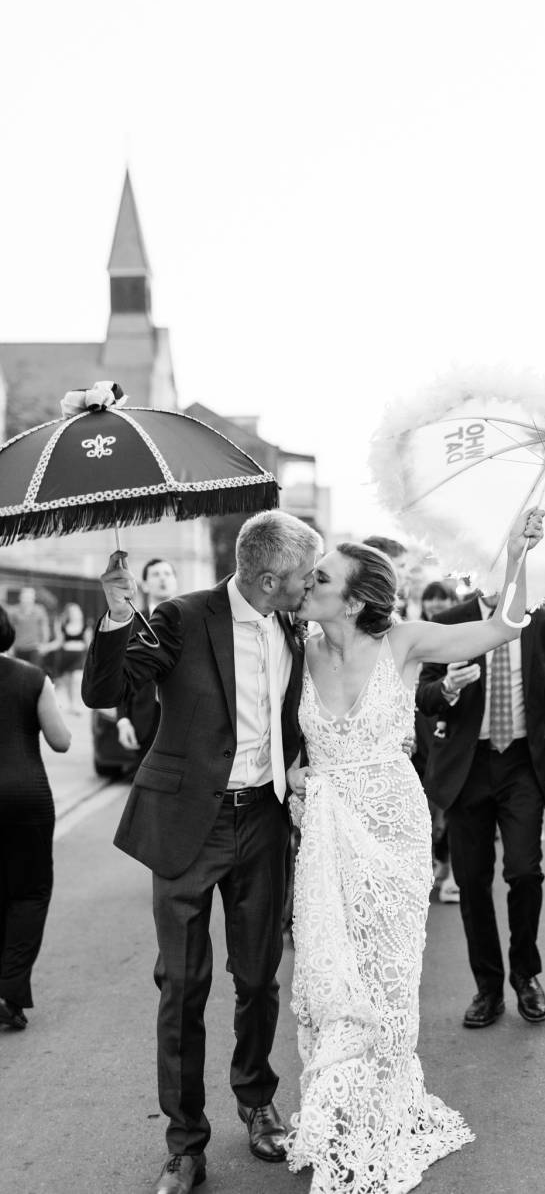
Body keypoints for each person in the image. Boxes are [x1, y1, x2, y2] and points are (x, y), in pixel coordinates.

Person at [285, 508, 543, 1191]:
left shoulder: (402, 640)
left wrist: (515, 556)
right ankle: (338, 1110)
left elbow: (501, 628)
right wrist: (291, 773)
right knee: (328, 974)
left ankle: (384, 1110)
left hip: (394, 831)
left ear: (359, 596)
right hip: (328, 832)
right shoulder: (297, 646)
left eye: (322, 577)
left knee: (388, 977)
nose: (308, 585)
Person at [81, 510, 321, 1194]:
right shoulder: (181, 617)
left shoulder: (292, 624)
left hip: (264, 822)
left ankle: (256, 1097)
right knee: (183, 986)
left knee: (259, 977)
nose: (313, 583)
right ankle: (185, 1144)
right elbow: (106, 691)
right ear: (270, 576)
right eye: (306, 574)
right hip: (189, 823)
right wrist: (119, 617)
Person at [416, 588, 545, 1030]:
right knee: (472, 880)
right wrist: (446, 687)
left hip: (523, 764)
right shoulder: (450, 620)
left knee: (524, 871)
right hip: (468, 767)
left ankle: (526, 975)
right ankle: (488, 986)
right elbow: (422, 695)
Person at [0, 606, 71, 1031]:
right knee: (28, 893)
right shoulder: (31, 677)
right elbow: (61, 741)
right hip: (26, 798)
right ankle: (10, 991)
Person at [415, 580, 460, 902]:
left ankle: (448, 870)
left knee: (447, 801)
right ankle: (430, 865)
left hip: (444, 719)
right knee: (425, 807)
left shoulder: (457, 632)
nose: (435, 604)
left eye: (440, 598)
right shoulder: (412, 629)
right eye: (430, 599)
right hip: (417, 719)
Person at [116, 558, 179, 761]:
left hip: (185, 719)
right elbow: (120, 674)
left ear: (175, 582)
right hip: (144, 720)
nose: (162, 579)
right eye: (156, 574)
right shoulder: (131, 624)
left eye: (167, 574)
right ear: (144, 584)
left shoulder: (192, 620)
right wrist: (123, 719)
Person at [49, 601, 91, 713]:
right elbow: (58, 642)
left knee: (76, 680)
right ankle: (71, 705)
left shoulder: (85, 626)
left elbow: (89, 644)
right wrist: (46, 647)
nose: (75, 614)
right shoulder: (63, 626)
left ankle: (77, 705)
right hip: (66, 656)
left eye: (77, 611)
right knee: (67, 682)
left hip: (79, 656)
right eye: (72, 612)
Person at [8, 586, 51, 669]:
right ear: (20, 597)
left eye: (29, 597)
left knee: (34, 674)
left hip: (34, 648)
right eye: (25, 596)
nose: (27, 599)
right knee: (18, 673)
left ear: (33, 598)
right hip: (18, 648)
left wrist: (44, 645)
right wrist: (10, 647)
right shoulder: (13, 611)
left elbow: (45, 628)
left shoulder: (40, 610)